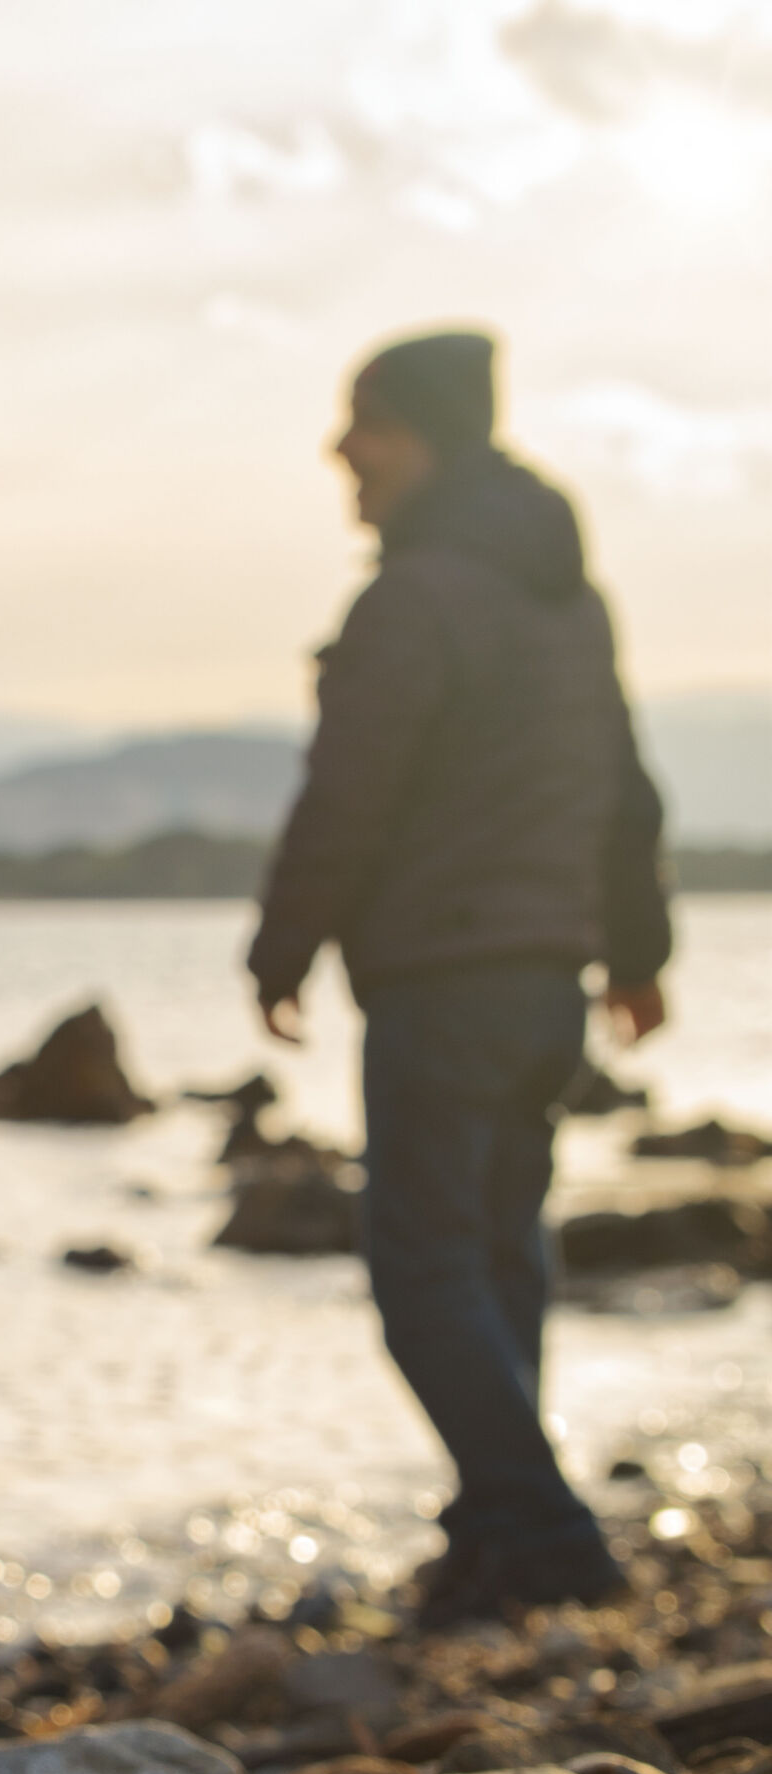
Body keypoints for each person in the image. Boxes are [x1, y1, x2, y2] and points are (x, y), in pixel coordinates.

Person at [246, 328, 671, 1628]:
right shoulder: (565, 599)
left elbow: (347, 797)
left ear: (425, 437)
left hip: (442, 980)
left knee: (424, 1273)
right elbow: (627, 788)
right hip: (545, 984)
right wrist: (637, 953)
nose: (342, 453)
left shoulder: (414, 601)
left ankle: (546, 1533)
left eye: (364, 426)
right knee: (497, 1258)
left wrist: (282, 944)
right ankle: (495, 1534)